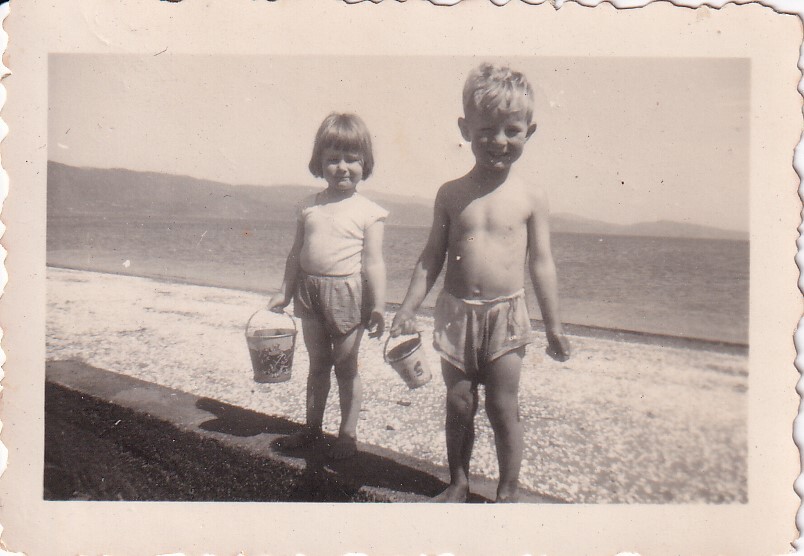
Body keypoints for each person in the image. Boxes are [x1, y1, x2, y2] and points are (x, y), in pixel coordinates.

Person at [390, 63, 571, 501]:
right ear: (464, 128)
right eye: (486, 130)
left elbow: (541, 263)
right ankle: (458, 481)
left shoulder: (532, 197)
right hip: (456, 314)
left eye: (512, 130)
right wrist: (409, 307)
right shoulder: (451, 193)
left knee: (502, 406)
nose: (499, 141)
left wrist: (554, 325)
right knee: (459, 403)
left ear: (530, 131)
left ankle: (508, 490)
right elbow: (431, 258)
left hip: (507, 315)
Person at [268, 112, 387, 460]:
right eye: (333, 159)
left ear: (365, 163)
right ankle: (312, 429)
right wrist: (285, 290)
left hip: (349, 295)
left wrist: (379, 304)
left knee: (346, 367)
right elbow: (296, 253)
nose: (342, 167)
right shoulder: (308, 206)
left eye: (352, 159)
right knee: (318, 363)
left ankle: (347, 434)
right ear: (319, 162)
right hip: (310, 291)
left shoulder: (369, 211)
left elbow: (374, 262)